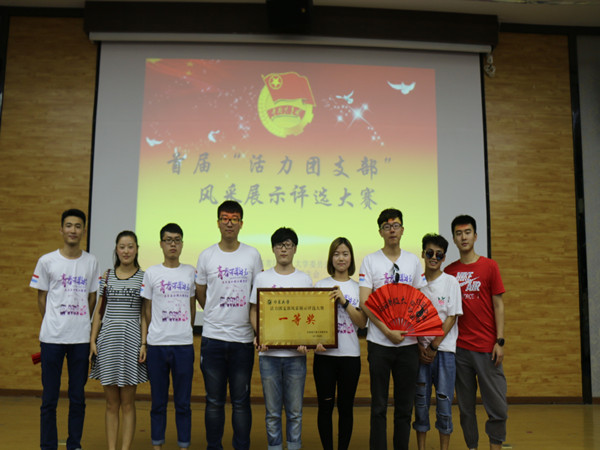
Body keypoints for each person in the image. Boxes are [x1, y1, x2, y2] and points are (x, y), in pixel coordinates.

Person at [195, 201, 263, 450]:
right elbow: (200, 292)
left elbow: (258, 294)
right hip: (213, 339)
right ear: (218, 223)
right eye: (225, 218)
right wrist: (214, 312)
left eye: (234, 219)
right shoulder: (207, 255)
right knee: (214, 402)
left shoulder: (252, 255)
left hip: (242, 341)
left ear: (241, 223)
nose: (229, 223)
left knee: (241, 401)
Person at [30, 208, 100, 450]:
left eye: (78, 226)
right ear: (61, 229)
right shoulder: (46, 261)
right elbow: (42, 297)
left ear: (83, 231)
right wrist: (53, 321)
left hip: (80, 339)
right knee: (49, 398)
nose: (73, 230)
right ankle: (48, 445)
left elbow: (92, 298)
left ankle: (74, 444)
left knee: (77, 397)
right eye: (69, 225)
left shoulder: (91, 261)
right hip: (52, 338)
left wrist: (80, 322)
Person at [358, 208, 426, 450]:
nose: (392, 230)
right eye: (387, 227)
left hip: (408, 345)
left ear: (403, 229)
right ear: (380, 232)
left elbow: (420, 300)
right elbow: (365, 302)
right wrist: (387, 331)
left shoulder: (413, 261)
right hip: (379, 343)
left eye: (396, 225)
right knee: (378, 406)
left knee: (404, 407)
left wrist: (410, 330)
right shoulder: (370, 260)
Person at [444, 215, 507, 450]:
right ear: (454, 239)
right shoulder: (449, 272)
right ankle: (472, 446)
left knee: (497, 406)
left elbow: (498, 305)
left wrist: (499, 341)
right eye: (459, 233)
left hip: (487, 348)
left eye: (468, 232)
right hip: (460, 350)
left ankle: (495, 445)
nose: (464, 237)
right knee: (466, 409)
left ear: (475, 236)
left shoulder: (490, 266)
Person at [249, 227, 313, 450]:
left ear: (295, 249)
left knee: (295, 412)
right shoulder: (262, 278)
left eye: (288, 245)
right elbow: (254, 311)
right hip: (269, 356)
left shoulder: (304, 279)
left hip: (296, 356)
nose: (283, 249)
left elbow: (310, 316)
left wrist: (307, 339)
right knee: (273, 413)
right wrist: (260, 334)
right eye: (279, 245)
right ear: (273, 249)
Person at [89, 230, 148, 450]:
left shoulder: (144, 277)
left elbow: (144, 314)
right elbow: (99, 312)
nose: (126, 251)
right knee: (111, 404)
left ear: (137, 249)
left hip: (131, 343)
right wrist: (93, 340)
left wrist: (143, 343)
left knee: (128, 404)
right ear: (116, 249)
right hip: (108, 343)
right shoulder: (107, 276)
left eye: (130, 246)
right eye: (122, 247)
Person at [141, 223, 196, 450]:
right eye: (168, 240)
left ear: (182, 244)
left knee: (183, 403)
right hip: (157, 345)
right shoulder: (151, 273)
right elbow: (146, 309)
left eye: (177, 240)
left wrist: (183, 329)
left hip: (183, 345)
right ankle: (157, 445)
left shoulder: (190, 272)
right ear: (161, 244)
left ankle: (184, 445)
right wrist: (148, 339)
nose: (173, 244)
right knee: (158, 402)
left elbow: (192, 307)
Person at [313, 237, 367, 450]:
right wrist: (314, 341)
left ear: (351, 257)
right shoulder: (320, 285)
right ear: (331, 258)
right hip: (324, 357)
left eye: (345, 254)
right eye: (336, 254)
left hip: (350, 356)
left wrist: (344, 301)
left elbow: (362, 322)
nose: (341, 258)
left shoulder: (358, 288)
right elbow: (312, 321)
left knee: (346, 408)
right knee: (325, 407)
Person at [412, 233, 462, 450]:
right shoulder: (416, 284)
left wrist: (433, 346)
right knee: (420, 404)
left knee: (444, 404)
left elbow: (451, 317)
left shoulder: (451, 282)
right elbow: (409, 320)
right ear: (423, 253)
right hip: (420, 354)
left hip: (445, 352)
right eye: (430, 252)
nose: (434, 257)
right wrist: (419, 347)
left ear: (444, 258)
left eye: (439, 254)